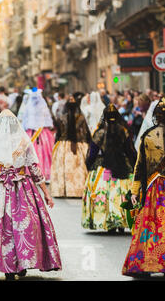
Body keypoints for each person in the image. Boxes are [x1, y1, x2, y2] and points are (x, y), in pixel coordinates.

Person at [0, 109, 61, 280]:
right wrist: (46, 193)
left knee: (0, 228)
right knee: (26, 227)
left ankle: (8, 267)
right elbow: (35, 169)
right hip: (22, 187)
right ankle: (22, 264)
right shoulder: (23, 141)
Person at [122, 98, 165, 277]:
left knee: (152, 226)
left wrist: (135, 190)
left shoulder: (148, 136)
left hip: (156, 188)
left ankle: (148, 261)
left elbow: (140, 166)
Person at [82, 104, 136, 233]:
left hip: (102, 169)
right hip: (123, 167)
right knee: (121, 194)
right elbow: (130, 152)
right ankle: (122, 222)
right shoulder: (124, 131)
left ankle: (108, 221)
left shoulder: (100, 133)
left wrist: (89, 166)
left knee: (104, 194)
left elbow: (92, 154)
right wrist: (134, 167)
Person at [50, 95, 91, 197]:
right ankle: (79, 190)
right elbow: (86, 132)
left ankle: (63, 190)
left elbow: (58, 133)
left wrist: (55, 145)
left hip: (64, 145)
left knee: (63, 167)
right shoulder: (81, 117)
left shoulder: (61, 118)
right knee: (79, 167)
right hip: (79, 144)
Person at [22, 89, 55, 182]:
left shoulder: (30, 106)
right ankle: (37, 173)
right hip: (40, 133)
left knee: (41, 152)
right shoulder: (41, 105)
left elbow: (25, 119)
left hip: (37, 132)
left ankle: (39, 173)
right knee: (42, 152)